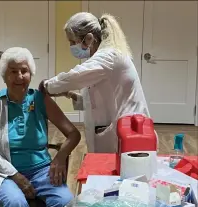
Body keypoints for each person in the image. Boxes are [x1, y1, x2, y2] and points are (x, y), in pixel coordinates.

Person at [0, 47, 81, 207]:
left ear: (31, 74)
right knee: (16, 203)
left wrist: (60, 157)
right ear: (4, 76)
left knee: (66, 201)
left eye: (24, 71)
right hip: (4, 173)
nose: (19, 76)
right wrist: (15, 175)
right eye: (13, 71)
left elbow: (73, 133)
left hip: (41, 170)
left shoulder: (40, 99)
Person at [39, 12, 151, 153]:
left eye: (73, 42)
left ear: (89, 38)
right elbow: (100, 99)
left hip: (130, 130)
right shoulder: (101, 60)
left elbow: (74, 77)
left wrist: (47, 86)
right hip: (117, 128)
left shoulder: (109, 56)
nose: (71, 46)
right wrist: (72, 96)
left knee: (119, 170)